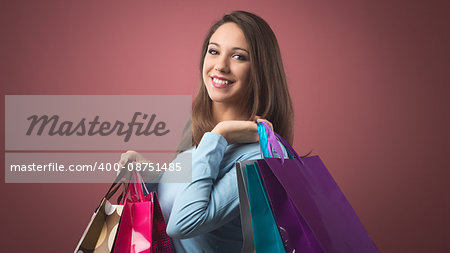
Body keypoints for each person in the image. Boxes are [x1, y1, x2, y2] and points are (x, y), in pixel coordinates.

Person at [118, 10, 294, 253]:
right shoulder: (198, 131)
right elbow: (180, 201)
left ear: (261, 71)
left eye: (238, 57)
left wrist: (221, 135)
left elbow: (182, 224)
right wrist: (150, 177)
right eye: (214, 51)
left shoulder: (258, 156)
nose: (220, 65)